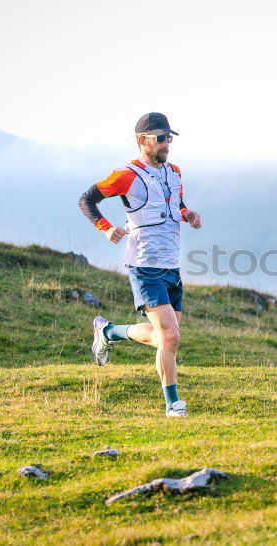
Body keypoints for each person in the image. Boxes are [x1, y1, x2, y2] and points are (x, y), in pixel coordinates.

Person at [77, 112, 202, 417]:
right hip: (144, 266)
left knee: (164, 338)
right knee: (171, 336)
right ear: (142, 140)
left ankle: (107, 332)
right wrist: (105, 227)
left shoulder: (175, 172)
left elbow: (175, 203)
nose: (166, 144)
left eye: (169, 138)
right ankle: (173, 405)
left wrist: (187, 214)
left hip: (171, 266)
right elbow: (87, 200)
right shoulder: (126, 175)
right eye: (160, 138)